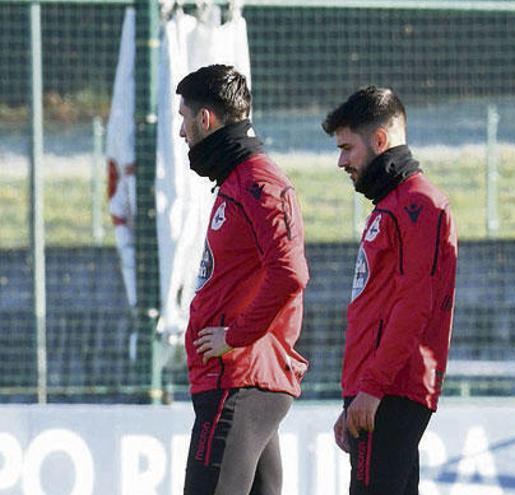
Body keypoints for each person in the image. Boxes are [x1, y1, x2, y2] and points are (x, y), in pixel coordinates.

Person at [178, 64, 310, 494]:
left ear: (205, 119)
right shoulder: (237, 182)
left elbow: (290, 273)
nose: (182, 132)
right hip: (240, 377)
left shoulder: (259, 183)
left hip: (238, 378)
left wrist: (235, 335)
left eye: (184, 118)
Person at [322, 86, 458, 495]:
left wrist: (372, 388)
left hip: (390, 392)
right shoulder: (393, 205)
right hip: (378, 391)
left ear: (379, 141)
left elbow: (415, 305)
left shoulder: (418, 204)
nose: (341, 161)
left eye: (347, 148)